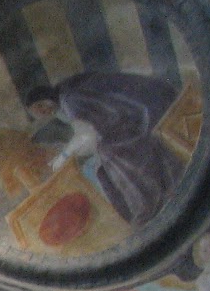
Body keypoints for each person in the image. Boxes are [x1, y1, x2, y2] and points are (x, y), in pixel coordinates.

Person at [22, 72, 184, 227]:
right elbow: (93, 127)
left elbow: (88, 134)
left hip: (142, 113)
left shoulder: (69, 100)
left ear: (45, 97)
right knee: (101, 160)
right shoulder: (65, 94)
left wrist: (63, 156)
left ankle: (148, 202)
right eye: (38, 111)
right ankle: (142, 204)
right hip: (140, 107)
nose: (43, 111)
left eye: (41, 106)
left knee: (108, 154)